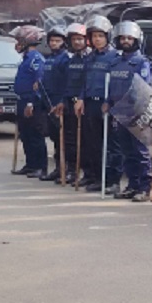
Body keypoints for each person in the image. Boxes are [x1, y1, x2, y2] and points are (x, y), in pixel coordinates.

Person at [106, 21, 152, 201]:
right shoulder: (115, 63)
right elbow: (111, 87)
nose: (126, 41)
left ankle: (144, 188)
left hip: (137, 114)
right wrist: (107, 103)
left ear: (136, 40)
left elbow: (143, 89)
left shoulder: (141, 63)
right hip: (119, 113)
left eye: (129, 38)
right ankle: (132, 185)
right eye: (123, 38)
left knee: (140, 152)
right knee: (127, 152)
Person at [76, 16, 118, 194]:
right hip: (90, 104)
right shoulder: (90, 57)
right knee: (93, 143)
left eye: (100, 36)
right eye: (94, 36)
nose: (97, 39)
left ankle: (111, 181)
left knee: (110, 145)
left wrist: (111, 102)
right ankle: (96, 177)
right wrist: (80, 99)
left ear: (107, 36)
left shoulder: (115, 56)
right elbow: (84, 81)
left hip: (107, 105)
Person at [10, 26, 48, 178]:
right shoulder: (25, 58)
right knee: (25, 135)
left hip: (32, 102)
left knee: (35, 135)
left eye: (19, 40)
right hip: (21, 100)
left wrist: (32, 103)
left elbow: (38, 83)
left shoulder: (36, 59)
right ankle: (30, 164)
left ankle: (40, 166)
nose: (17, 44)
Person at [60, 23, 90, 185]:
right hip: (69, 103)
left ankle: (86, 173)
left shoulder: (89, 58)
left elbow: (87, 83)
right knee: (70, 140)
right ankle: (72, 171)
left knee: (85, 141)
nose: (77, 42)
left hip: (83, 104)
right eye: (74, 39)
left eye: (80, 39)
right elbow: (67, 83)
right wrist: (63, 101)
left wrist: (81, 99)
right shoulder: (72, 59)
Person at [38, 25, 69, 181]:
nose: (54, 43)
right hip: (48, 104)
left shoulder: (65, 59)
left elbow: (67, 84)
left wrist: (61, 102)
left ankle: (68, 170)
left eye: (58, 41)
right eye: (52, 41)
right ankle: (58, 168)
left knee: (65, 139)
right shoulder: (49, 58)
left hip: (60, 105)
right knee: (55, 139)